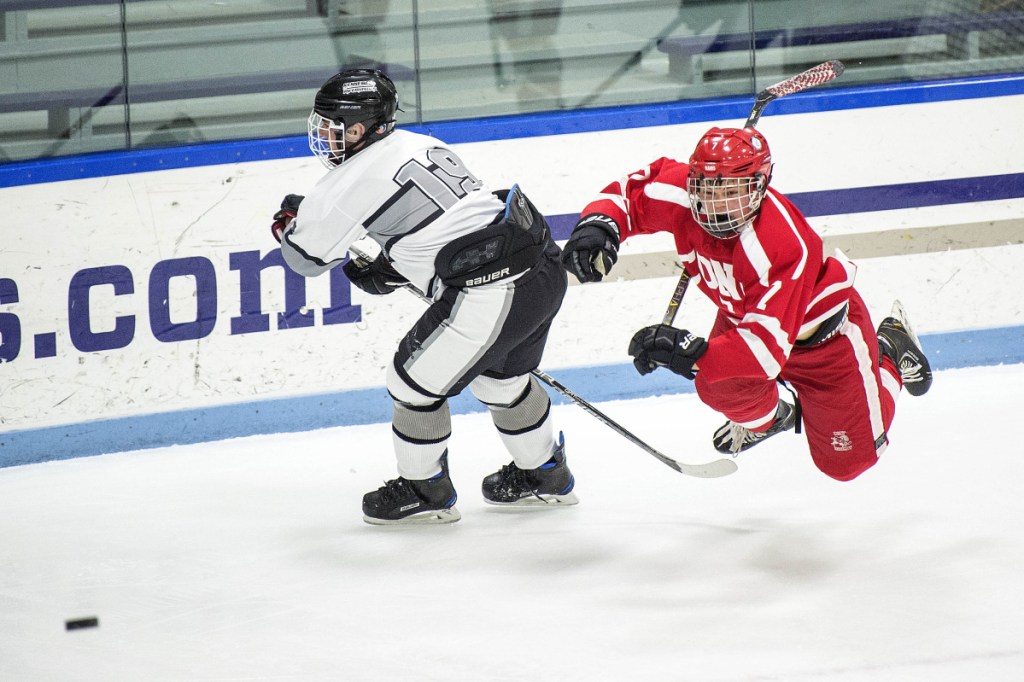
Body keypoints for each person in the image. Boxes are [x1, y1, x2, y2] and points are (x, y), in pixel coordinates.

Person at [269, 69, 576, 524]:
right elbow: (444, 222)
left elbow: (305, 260)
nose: (325, 136)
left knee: (410, 384)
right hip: (541, 269)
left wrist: (288, 225)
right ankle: (546, 475)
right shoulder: (419, 144)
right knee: (501, 382)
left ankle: (425, 491)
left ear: (360, 128)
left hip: (492, 291)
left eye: (334, 126)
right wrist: (391, 264)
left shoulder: (348, 182)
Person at [561, 126, 933, 481]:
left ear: (759, 187)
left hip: (824, 345)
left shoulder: (782, 245)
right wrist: (600, 225)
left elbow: (763, 350)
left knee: (847, 464)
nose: (715, 204)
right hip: (747, 316)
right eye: (707, 188)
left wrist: (687, 351)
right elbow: (631, 194)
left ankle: (889, 352)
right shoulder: (685, 194)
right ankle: (771, 419)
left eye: (732, 192)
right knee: (717, 385)